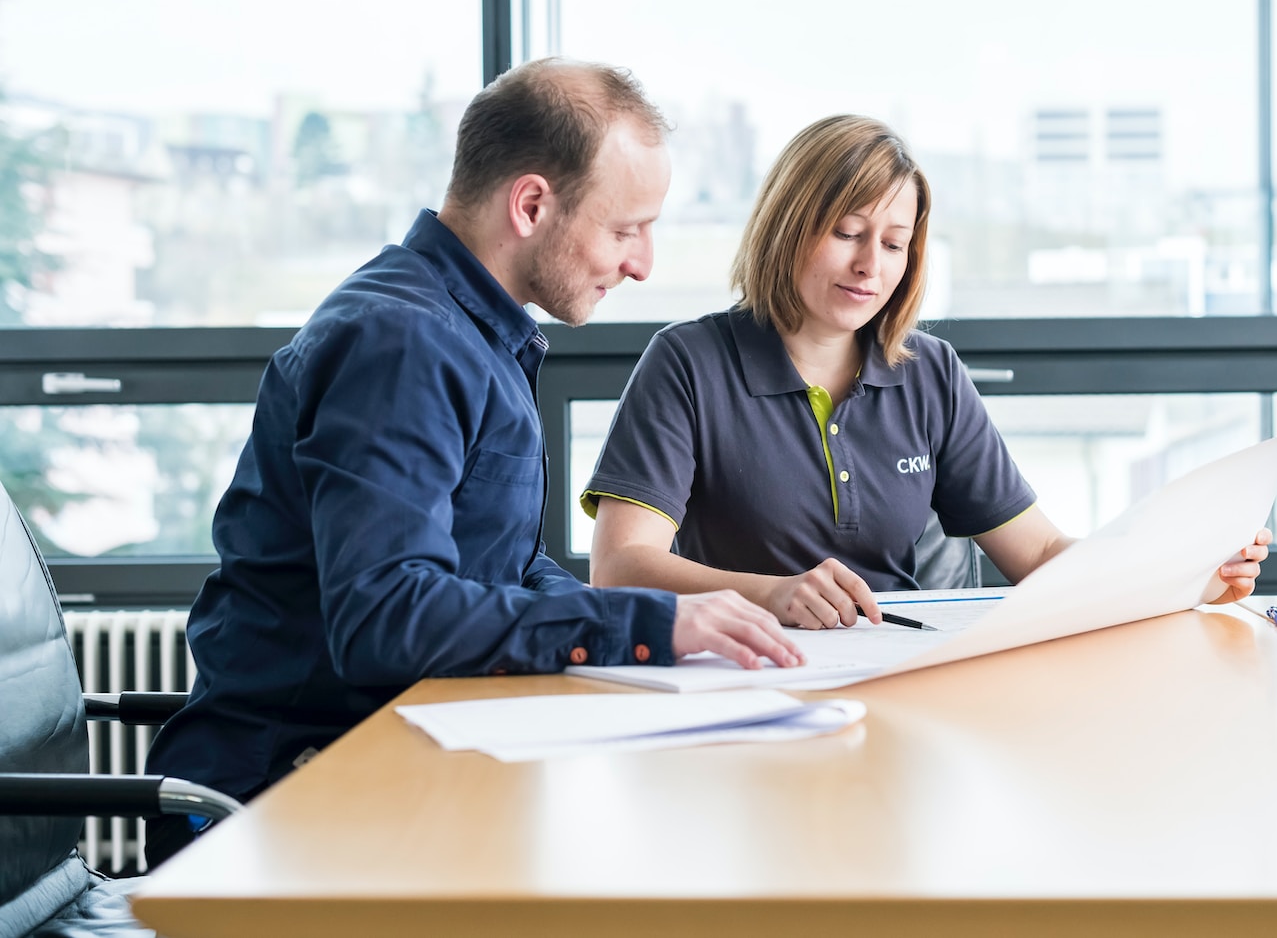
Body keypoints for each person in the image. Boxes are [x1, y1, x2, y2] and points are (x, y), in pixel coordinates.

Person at [144, 59, 802, 866]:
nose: (643, 263)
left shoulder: (475, 335)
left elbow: (510, 565)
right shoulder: (402, 343)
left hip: (387, 762)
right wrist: (643, 623)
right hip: (287, 801)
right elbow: (385, 616)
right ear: (530, 204)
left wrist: (645, 648)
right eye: (626, 229)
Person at [582, 114, 1270, 629]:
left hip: (898, 665)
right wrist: (772, 592)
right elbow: (619, 567)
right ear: (788, 226)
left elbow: (1041, 553)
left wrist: (1185, 572)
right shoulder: (687, 363)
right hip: (751, 669)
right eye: (848, 233)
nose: (869, 266)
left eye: (894, 244)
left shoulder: (930, 373)